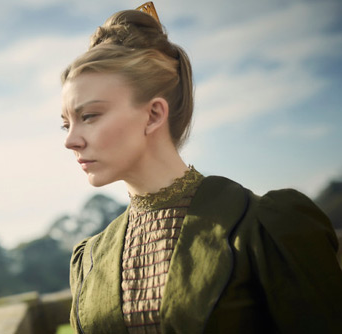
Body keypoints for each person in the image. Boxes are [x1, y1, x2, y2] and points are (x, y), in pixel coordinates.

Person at [60, 3, 342, 334]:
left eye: (89, 116)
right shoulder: (89, 260)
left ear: (153, 114)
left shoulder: (265, 227)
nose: (71, 140)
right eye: (65, 124)